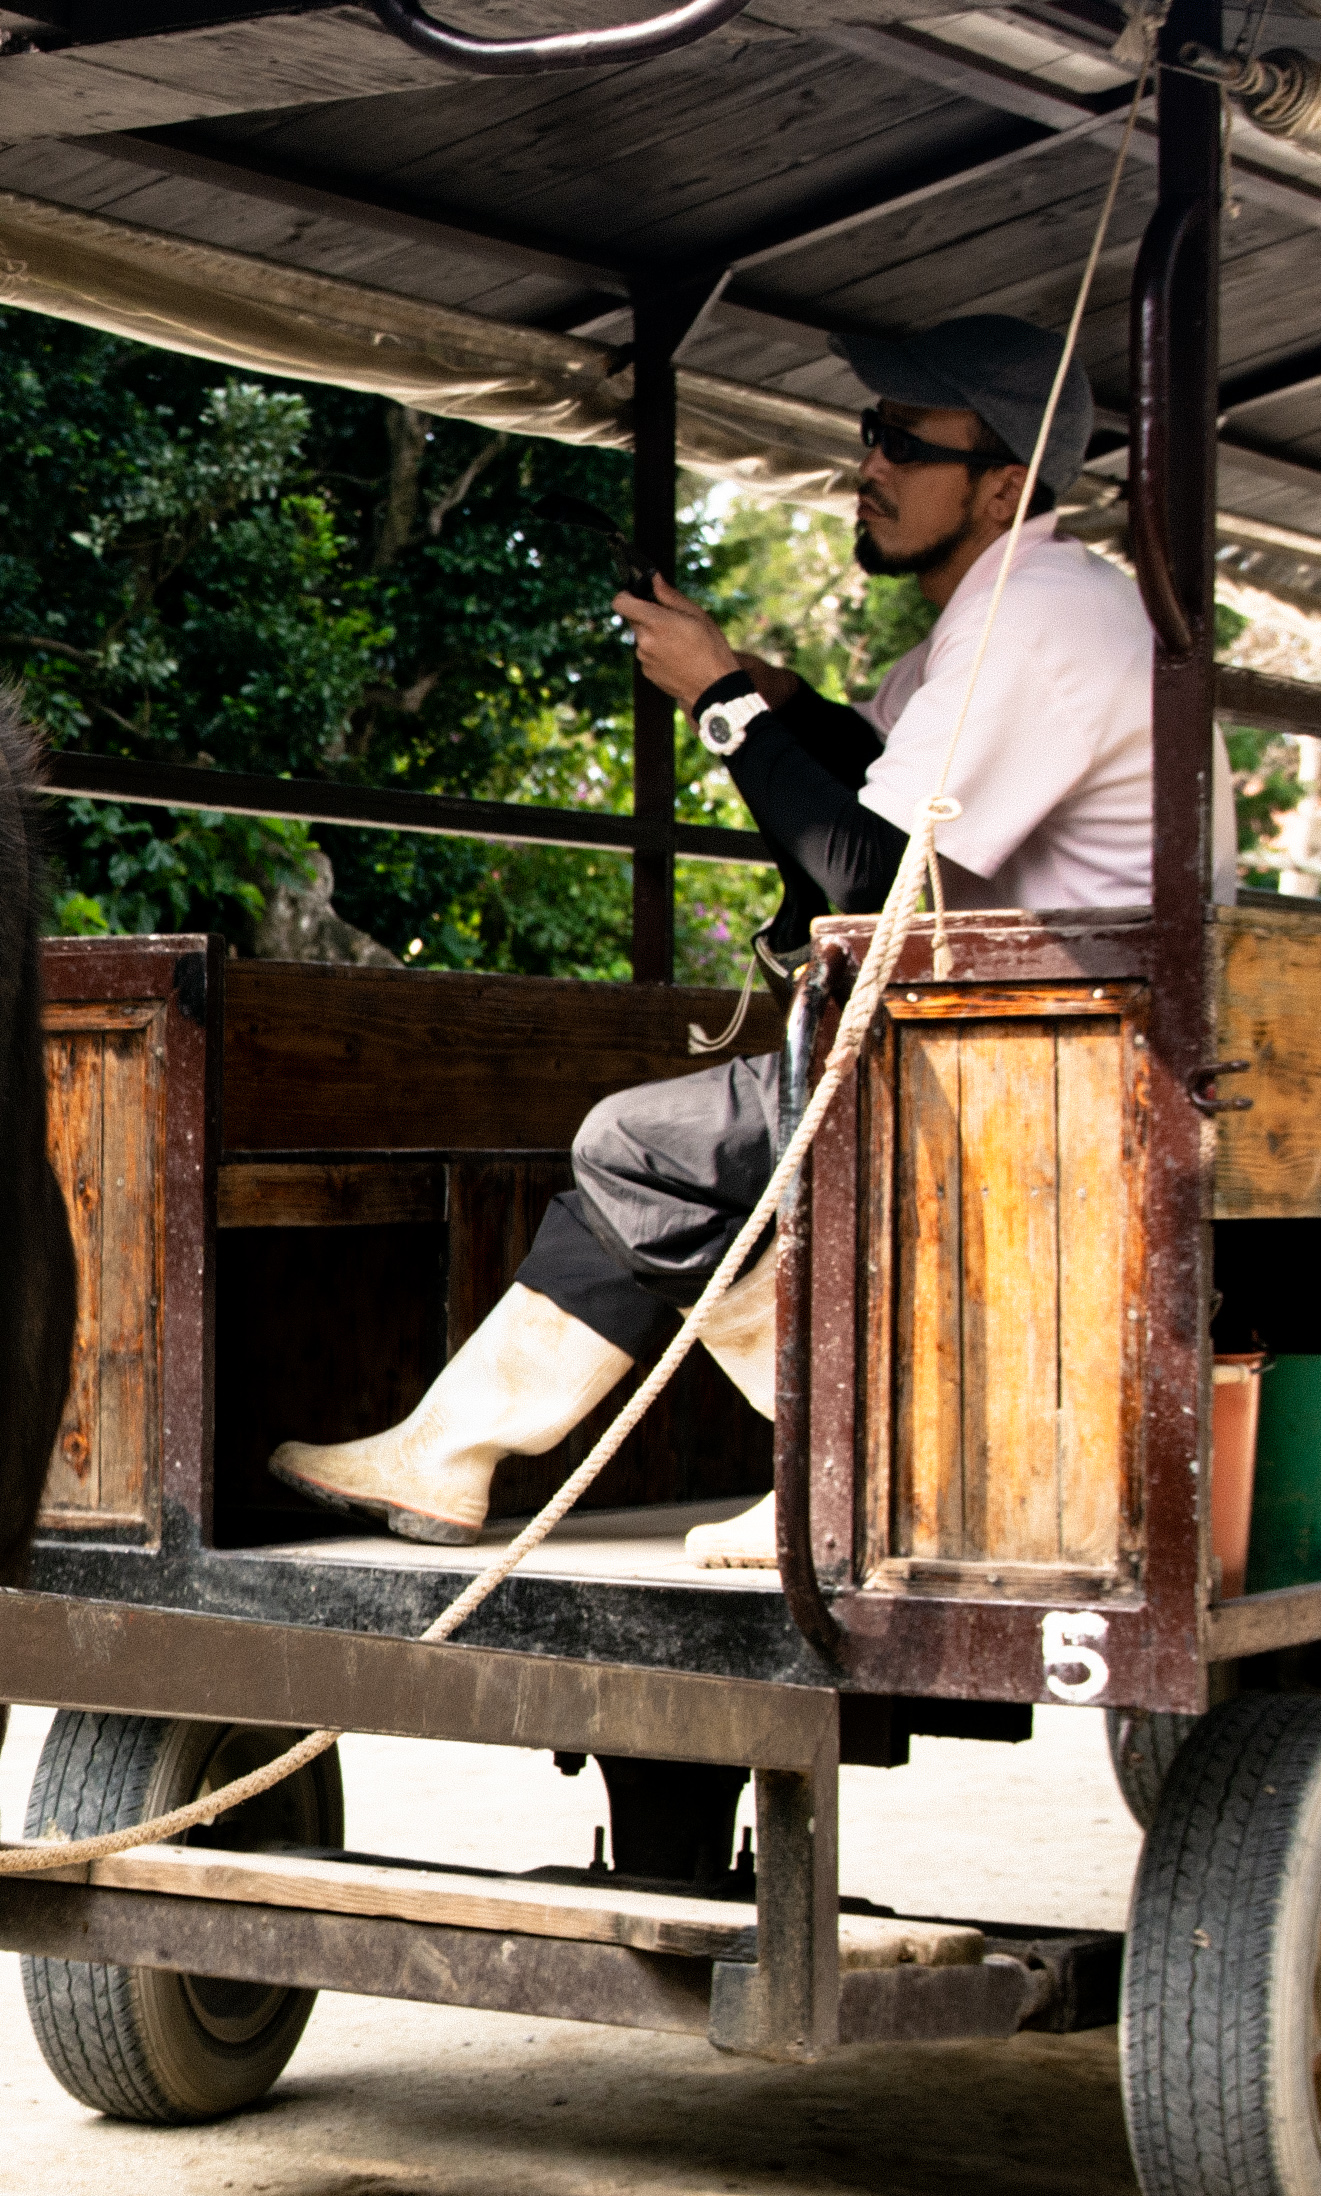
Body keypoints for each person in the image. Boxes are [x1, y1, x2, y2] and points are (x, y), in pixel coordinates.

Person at [269, 313, 1175, 1561]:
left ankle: (835, 1460)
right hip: (1005, 1041)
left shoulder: (1039, 623)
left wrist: (722, 703)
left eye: (905, 443)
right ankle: (449, 1453)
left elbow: (870, 875)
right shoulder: (1005, 617)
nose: (870, 463)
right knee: (656, 1154)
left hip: (1037, 1063)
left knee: (638, 1147)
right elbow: (870, 785)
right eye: (871, 434)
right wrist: (777, 699)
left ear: (1006, 486)